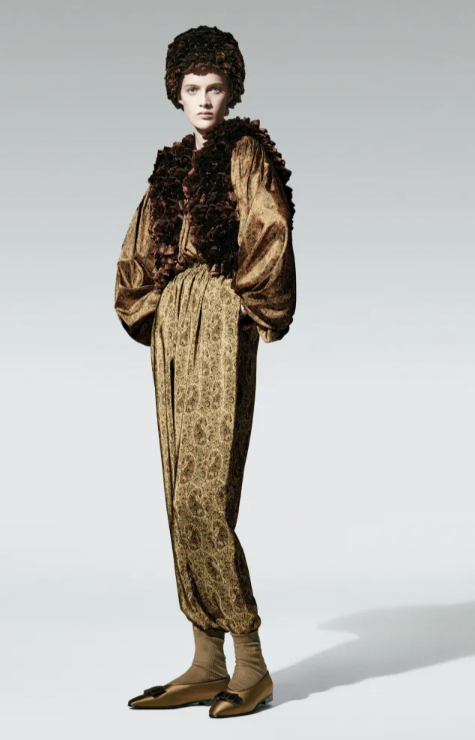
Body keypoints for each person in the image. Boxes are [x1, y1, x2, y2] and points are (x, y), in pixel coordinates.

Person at [114, 25, 296, 718]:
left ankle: (250, 661)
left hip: (220, 313)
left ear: (232, 90)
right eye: (192, 88)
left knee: (205, 493)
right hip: (174, 322)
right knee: (177, 488)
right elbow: (137, 249)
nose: (204, 100)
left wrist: (241, 302)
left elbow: (270, 229)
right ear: (176, 92)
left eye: (215, 88)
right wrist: (153, 305)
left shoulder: (246, 153)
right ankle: (204, 658)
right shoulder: (168, 167)